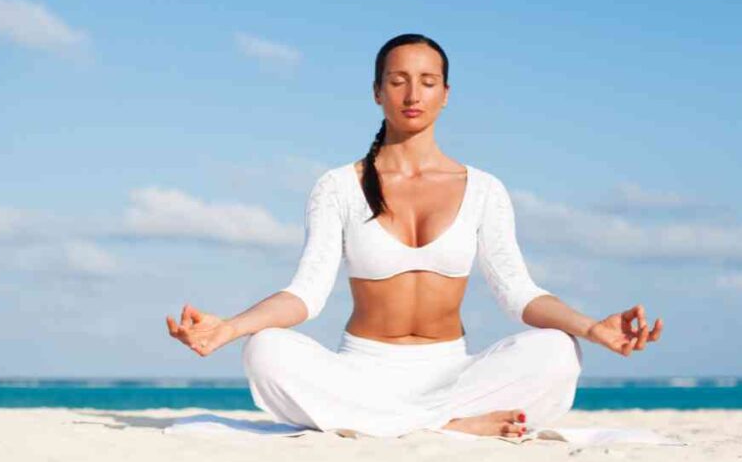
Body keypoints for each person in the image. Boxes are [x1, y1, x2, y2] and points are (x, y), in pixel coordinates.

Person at [166, 33, 663, 439]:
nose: (412, 94)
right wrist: (230, 328)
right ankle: (446, 427)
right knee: (266, 349)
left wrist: (591, 327)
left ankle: (414, 422)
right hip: (361, 373)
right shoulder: (338, 186)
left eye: (427, 82)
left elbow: (518, 293)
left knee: (557, 350)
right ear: (377, 91)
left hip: (452, 374)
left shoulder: (484, 189)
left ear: (446, 94)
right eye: (398, 80)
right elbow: (307, 292)